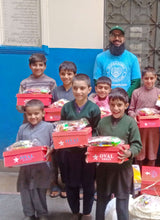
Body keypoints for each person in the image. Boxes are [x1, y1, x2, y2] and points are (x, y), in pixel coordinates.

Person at [95, 88, 142, 220]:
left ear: (126, 106)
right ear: (108, 104)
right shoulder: (103, 122)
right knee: (101, 200)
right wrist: (91, 149)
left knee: (122, 201)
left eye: (119, 105)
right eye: (112, 105)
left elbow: (137, 144)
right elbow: (96, 141)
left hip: (123, 169)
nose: (115, 108)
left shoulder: (130, 123)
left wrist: (129, 152)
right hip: (104, 168)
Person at [60, 74, 101, 220]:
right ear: (72, 88)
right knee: (72, 184)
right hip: (69, 153)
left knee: (88, 183)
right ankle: (75, 211)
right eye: (75, 88)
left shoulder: (94, 109)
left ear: (89, 89)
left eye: (82, 88)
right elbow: (62, 127)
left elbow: (97, 129)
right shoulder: (66, 107)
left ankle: (87, 212)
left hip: (87, 153)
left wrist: (89, 140)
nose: (79, 91)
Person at [16, 99, 54, 220]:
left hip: (42, 166)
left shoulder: (49, 127)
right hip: (26, 166)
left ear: (43, 113)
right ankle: (29, 214)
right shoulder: (22, 128)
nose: (33, 116)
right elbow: (17, 145)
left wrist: (51, 149)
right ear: (25, 114)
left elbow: (54, 143)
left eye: (36, 113)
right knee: (25, 190)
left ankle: (42, 213)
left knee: (39, 190)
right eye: (29, 114)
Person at [50, 61, 77, 199]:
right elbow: (50, 109)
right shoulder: (56, 91)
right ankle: (54, 183)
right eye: (63, 74)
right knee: (55, 157)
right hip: (57, 128)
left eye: (69, 74)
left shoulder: (77, 90)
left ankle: (67, 183)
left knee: (69, 159)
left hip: (72, 129)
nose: (66, 76)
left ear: (74, 75)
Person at [93, 25, 141, 98]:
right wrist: (105, 95)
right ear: (109, 38)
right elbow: (97, 79)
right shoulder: (100, 57)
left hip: (124, 102)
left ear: (124, 39)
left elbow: (136, 81)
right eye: (114, 35)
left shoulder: (132, 58)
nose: (117, 38)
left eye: (120, 35)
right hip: (105, 101)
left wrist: (125, 97)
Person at [128, 66, 160, 166]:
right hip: (139, 129)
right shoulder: (136, 92)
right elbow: (131, 109)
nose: (149, 81)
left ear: (156, 78)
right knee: (139, 152)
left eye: (151, 78)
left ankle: (149, 178)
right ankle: (138, 177)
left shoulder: (159, 93)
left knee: (152, 152)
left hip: (153, 129)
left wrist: (158, 116)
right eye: (146, 78)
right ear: (142, 78)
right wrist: (134, 116)